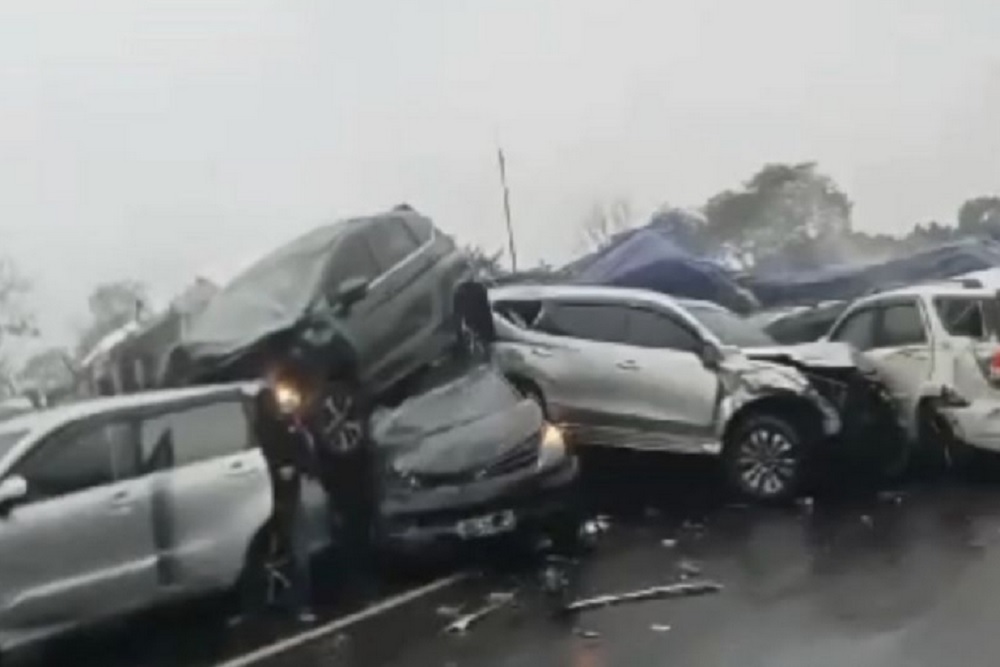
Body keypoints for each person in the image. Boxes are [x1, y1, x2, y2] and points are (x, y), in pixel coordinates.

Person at [232, 386, 318, 626]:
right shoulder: (278, 429)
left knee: (279, 554)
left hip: (272, 500)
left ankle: (275, 606)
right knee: (283, 554)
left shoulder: (269, 430)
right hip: (272, 500)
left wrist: (293, 468)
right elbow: (306, 456)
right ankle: (289, 606)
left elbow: (304, 456)